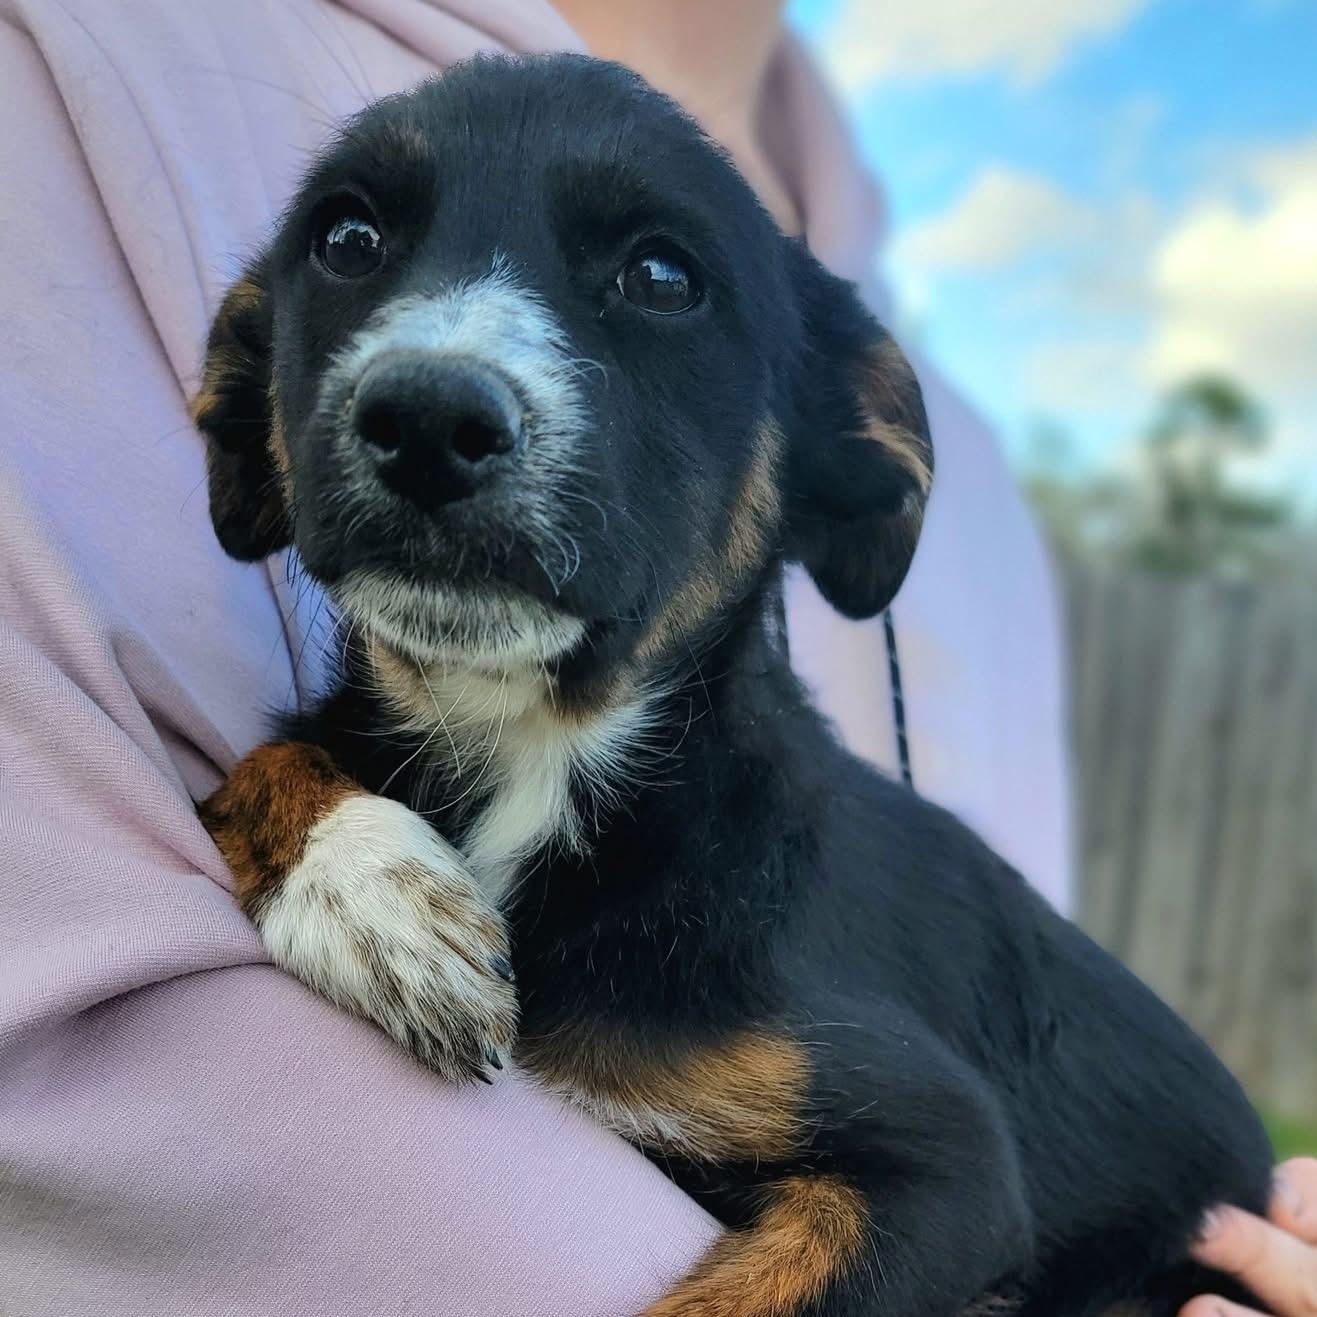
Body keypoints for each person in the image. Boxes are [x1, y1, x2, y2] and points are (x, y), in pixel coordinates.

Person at [0, 1, 1308, 1313]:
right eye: (351, 241)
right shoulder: (64, 87)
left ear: (833, 464)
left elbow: (946, 1186)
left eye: (662, 278)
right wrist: (281, 818)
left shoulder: (979, 534)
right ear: (255, 402)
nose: (437, 380)